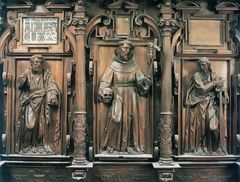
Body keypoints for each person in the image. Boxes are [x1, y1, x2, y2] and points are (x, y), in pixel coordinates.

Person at [98, 40, 152, 154]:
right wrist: (105, 90)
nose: (126, 50)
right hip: (118, 94)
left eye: (128, 48)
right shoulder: (113, 66)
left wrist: (146, 81)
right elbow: (104, 82)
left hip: (132, 94)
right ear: (118, 50)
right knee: (116, 119)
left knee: (131, 119)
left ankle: (130, 145)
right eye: (124, 48)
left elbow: (141, 81)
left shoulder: (134, 65)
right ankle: (112, 144)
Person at [184, 57, 229, 155]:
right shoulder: (197, 75)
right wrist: (214, 83)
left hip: (211, 103)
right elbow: (202, 89)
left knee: (213, 126)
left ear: (208, 64)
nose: (202, 66)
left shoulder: (212, 74)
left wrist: (224, 92)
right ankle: (201, 147)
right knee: (201, 127)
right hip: (200, 103)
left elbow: (219, 86)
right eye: (200, 64)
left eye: (204, 64)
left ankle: (215, 147)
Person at [17, 54, 60, 154]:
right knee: (30, 125)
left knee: (43, 125)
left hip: (42, 101)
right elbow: (20, 82)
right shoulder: (27, 73)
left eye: (40, 62)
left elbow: (52, 84)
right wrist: (21, 82)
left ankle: (40, 145)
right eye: (36, 62)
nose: (38, 64)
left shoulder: (46, 73)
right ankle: (27, 145)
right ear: (31, 63)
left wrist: (53, 93)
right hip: (30, 101)